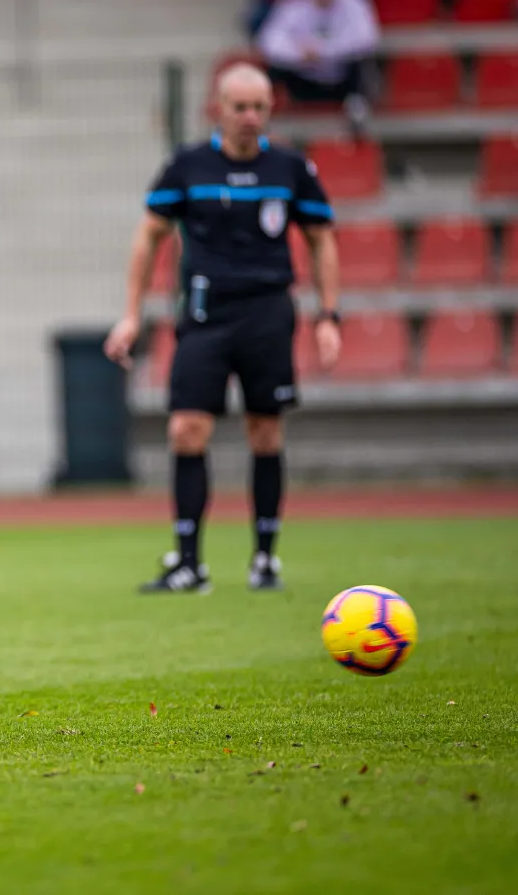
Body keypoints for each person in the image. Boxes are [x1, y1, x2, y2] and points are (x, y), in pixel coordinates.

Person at [104, 64, 342, 595]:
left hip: (268, 312)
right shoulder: (188, 165)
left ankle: (265, 560)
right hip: (205, 313)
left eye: (259, 107)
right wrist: (131, 313)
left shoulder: (290, 167)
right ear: (219, 108)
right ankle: (189, 564)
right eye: (240, 107)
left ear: (270, 110)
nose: (250, 117)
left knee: (266, 430)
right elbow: (149, 237)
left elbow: (322, 239)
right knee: (186, 429)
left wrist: (329, 315)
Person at [258, 0, 379, 131]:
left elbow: (367, 38)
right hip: (304, 77)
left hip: (342, 76)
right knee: (273, 69)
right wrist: (298, 53)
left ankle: (357, 115)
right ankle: (265, 116)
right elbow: (269, 42)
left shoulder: (353, 0)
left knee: (362, 64)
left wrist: (324, 50)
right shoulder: (290, 5)